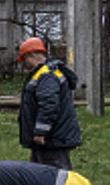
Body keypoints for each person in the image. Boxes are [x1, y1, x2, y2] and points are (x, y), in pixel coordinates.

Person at [17, 37, 81, 169]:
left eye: (24, 59)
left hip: (52, 139)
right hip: (50, 139)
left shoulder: (47, 75)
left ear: (32, 55)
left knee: (56, 174)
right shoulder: (43, 73)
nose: (24, 64)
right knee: (39, 174)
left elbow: (49, 104)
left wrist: (41, 132)